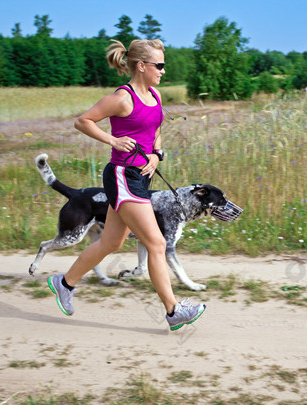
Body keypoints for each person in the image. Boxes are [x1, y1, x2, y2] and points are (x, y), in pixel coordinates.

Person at [47, 38, 205, 331]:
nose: (163, 70)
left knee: (112, 242)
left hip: (141, 177)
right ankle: (173, 311)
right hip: (122, 176)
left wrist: (156, 155)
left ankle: (64, 282)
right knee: (157, 242)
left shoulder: (155, 96)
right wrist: (112, 139)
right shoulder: (123, 98)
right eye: (159, 65)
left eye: (163, 65)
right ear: (141, 66)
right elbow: (83, 122)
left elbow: (156, 129)